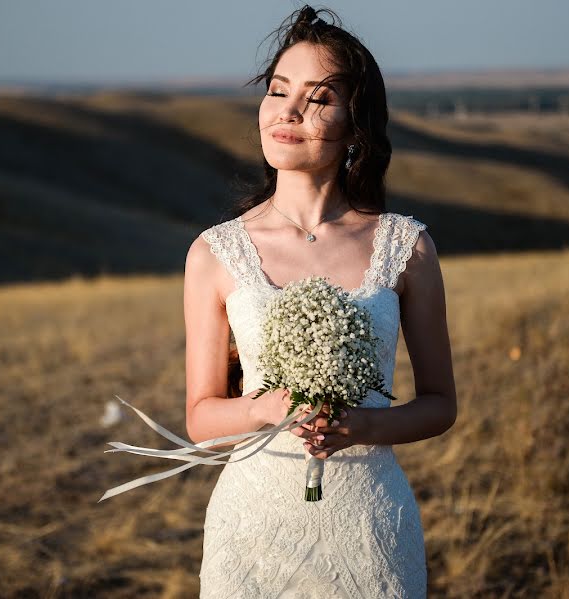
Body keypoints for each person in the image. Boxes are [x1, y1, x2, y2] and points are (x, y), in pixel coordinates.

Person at [183, 6, 457, 598]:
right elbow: (201, 418)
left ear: (357, 128)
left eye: (318, 98)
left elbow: (440, 405)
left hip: (369, 529)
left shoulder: (406, 247)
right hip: (252, 533)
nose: (288, 111)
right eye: (279, 91)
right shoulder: (214, 253)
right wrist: (265, 407)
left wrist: (364, 425)